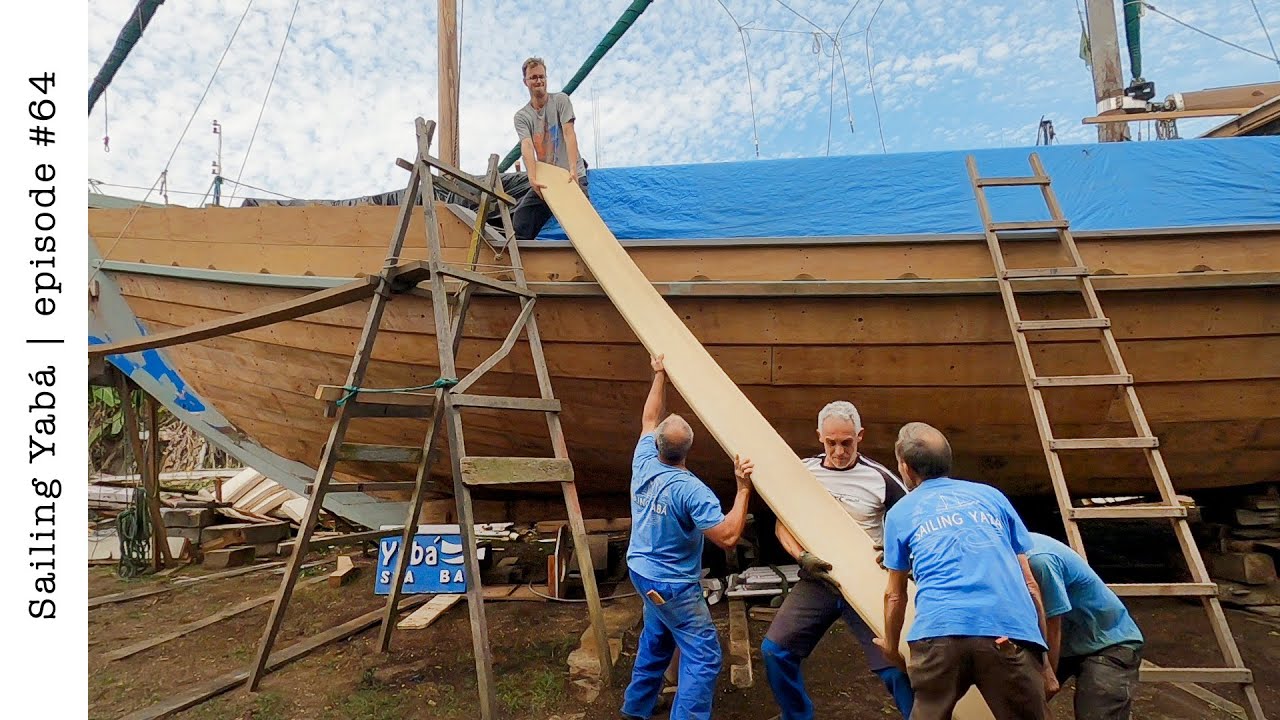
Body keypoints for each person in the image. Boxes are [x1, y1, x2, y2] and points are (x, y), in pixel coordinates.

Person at [875, 422, 1057, 720]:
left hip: (940, 636)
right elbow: (1030, 585)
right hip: (1007, 634)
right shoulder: (992, 497)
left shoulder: (900, 513)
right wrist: (1045, 663)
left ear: (906, 469)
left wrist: (891, 648)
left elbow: (895, 596)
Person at [760, 401, 914, 719]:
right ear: (820, 437)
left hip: (869, 581)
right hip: (820, 578)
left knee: (897, 667)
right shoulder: (804, 472)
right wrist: (801, 556)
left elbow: (914, 521)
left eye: (847, 442)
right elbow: (781, 523)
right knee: (774, 651)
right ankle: (797, 715)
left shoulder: (879, 478)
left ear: (860, 436)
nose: (839, 451)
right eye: (831, 443)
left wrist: (897, 556)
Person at [622, 354, 753, 720]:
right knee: (704, 654)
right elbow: (726, 536)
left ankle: (636, 709)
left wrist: (659, 374)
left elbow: (649, 417)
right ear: (688, 449)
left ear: (659, 444)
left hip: (641, 571)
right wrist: (743, 489)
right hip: (673, 584)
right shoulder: (692, 490)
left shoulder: (644, 459)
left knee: (658, 638)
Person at [1027, 532, 1144, 719]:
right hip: (1066, 641)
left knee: (1097, 712)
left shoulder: (1039, 561)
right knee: (1020, 704)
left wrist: (1048, 676)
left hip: (1107, 641)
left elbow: (1052, 624)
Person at [512, 56, 588, 241]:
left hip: (570, 174)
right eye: (533, 78)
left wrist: (572, 169)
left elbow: (569, 133)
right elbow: (527, 145)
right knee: (522, 219)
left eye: (541, 76)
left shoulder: (561, 101)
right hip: (548, 179)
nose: (538, 81)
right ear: (526, 82)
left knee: (584, 223)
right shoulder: (522, 116)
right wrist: (532, 177)